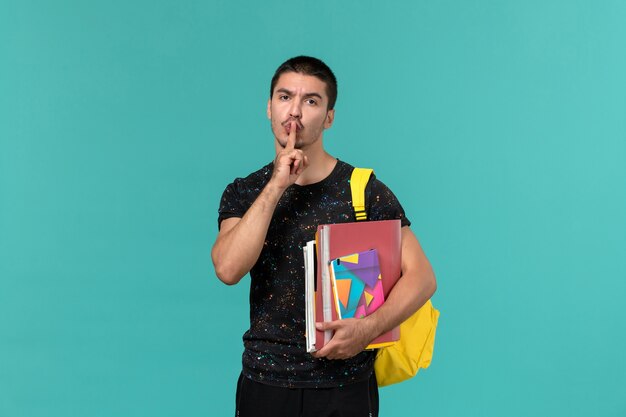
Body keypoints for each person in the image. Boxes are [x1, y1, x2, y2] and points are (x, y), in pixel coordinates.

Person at [211, 56, 436, 417]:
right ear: (269, 108)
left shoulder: (364, 191)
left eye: (311, 101)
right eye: (285, 98)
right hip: (265, 384)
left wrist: (367, 329)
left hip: (344, 387)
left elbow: (423, 277)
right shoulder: (245, 191)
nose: (295, 111)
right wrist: (277, 185)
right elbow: (228, 268)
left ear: (329, 117)